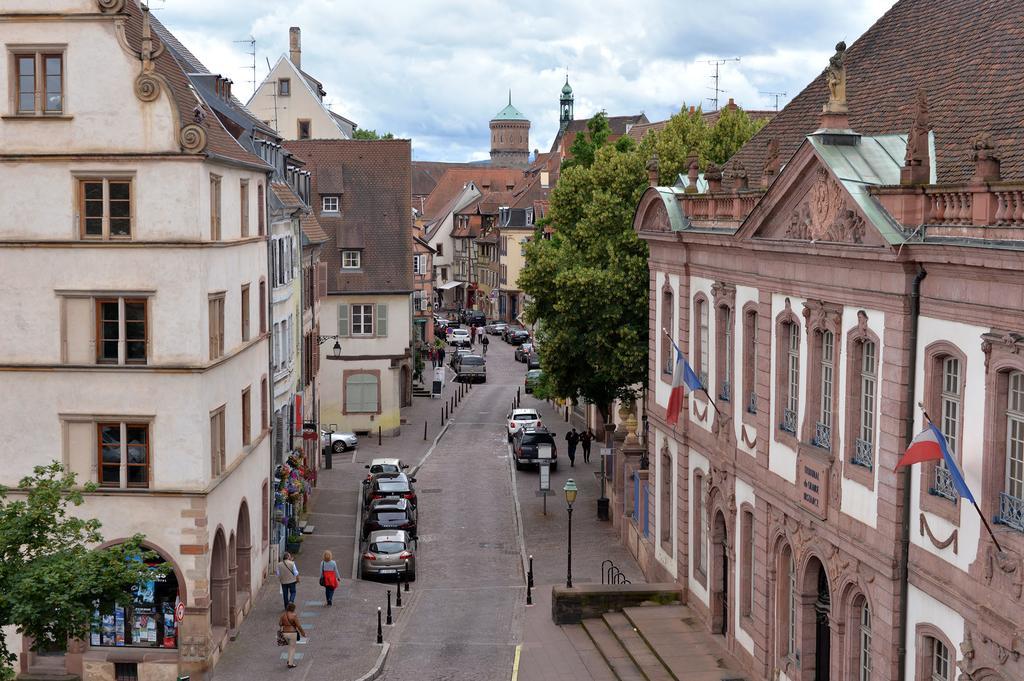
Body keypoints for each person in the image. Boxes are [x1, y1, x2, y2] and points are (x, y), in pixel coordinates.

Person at [279, 602, 306, 668]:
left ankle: (289, 660)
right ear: (293, 608)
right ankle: (290, 664)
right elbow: (298, 625)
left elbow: (280, 623)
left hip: (284, 633)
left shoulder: (283, 615)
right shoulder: (294, 615)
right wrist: (303, 633)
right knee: (292, 648)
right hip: (292, 632)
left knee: (290, 647)